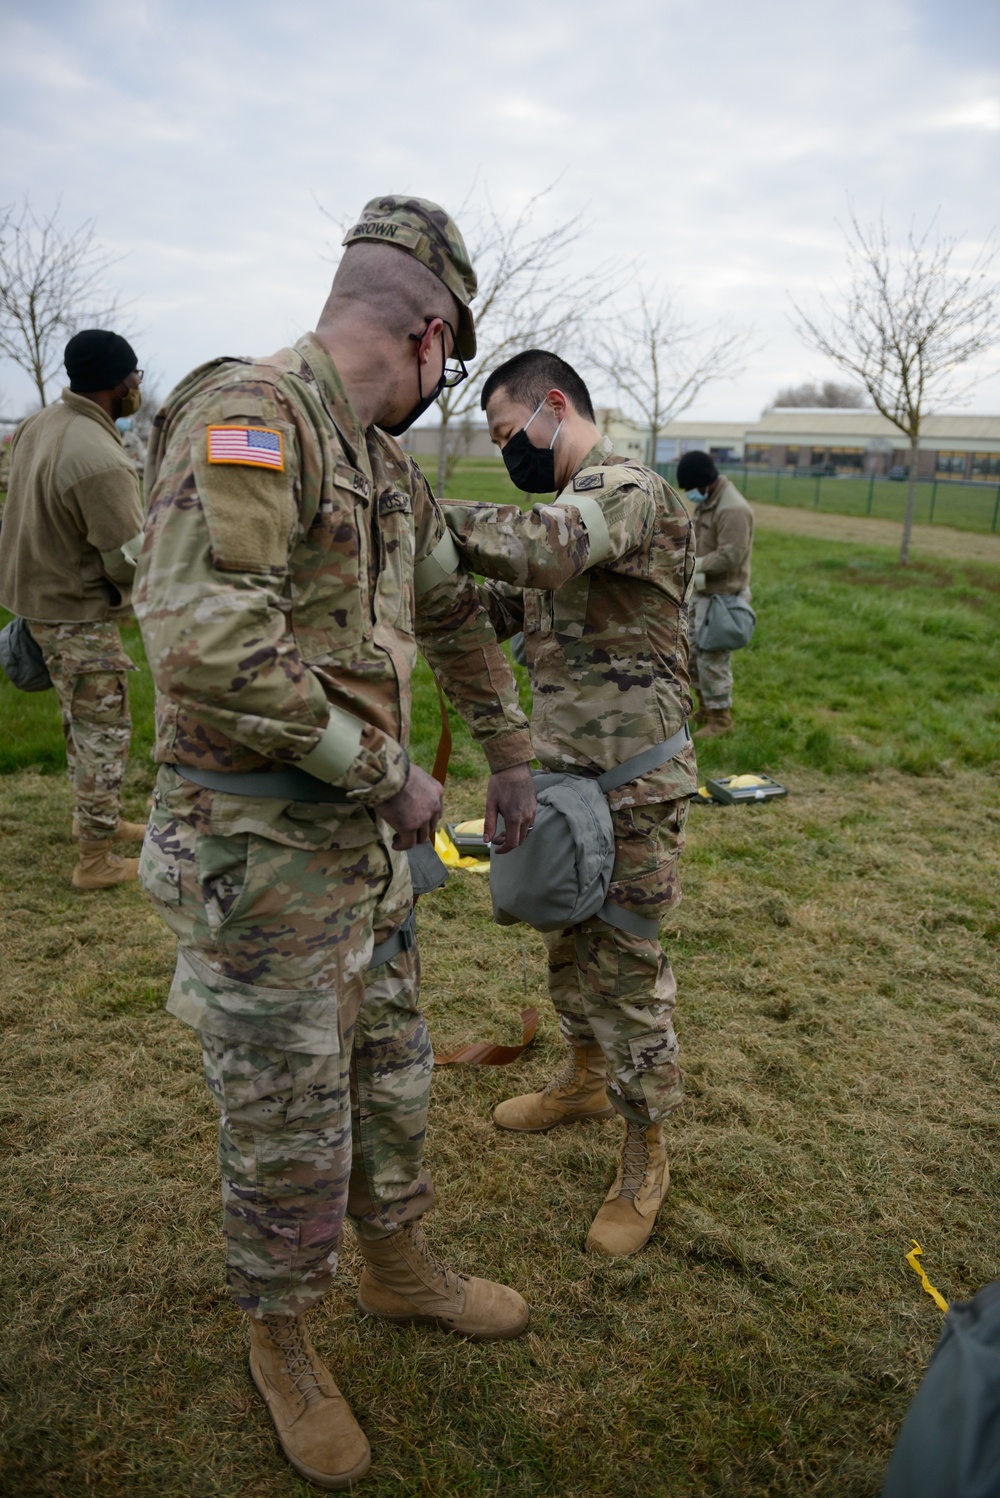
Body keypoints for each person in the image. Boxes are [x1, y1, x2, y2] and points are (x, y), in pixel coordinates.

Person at [132, 196, 537, 1491]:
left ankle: (399, 1264)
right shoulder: (252, 420)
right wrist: (391, 773)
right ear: (429, 333)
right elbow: (204, 649)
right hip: (260, 867)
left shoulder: (383, 467)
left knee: (394, 1079)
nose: (443, 382)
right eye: (452, 363)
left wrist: (509, 746)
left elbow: (457, 613)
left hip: (368, 865)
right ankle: (284, 1337)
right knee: (286, 1121)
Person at [441, 349, 698, 1260]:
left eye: (511, 434)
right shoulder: (563, 517)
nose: (507, 451)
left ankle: (645, 1150)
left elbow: (545, 551)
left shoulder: (625, 492)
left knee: (625, 966)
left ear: (557, 407)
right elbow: (494, 602)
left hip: (636, 786)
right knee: (566, 942)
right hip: (562, 786)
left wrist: (422, 516)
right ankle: (584, 1080)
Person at [0, 330, 147, 889]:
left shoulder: (41, 423)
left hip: (38, 598)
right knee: (104, 732)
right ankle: (94, 860)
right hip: (76, 613)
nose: (138, 385)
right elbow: (129, 559)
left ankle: (95, 821)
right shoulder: (99, 456)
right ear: (118, 383)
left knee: (79, 722)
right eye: (135, 376)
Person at [676, 450, 754, 739]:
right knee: (694, 654)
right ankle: (707, 709)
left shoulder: (732, 509)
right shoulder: (709, 501)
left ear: (704, 482)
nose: (689, 495)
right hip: (705, 593)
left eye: (690, 488)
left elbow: (731, 555)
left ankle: (722, 720)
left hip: (723, 598)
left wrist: (692, 565)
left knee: (713, 659)